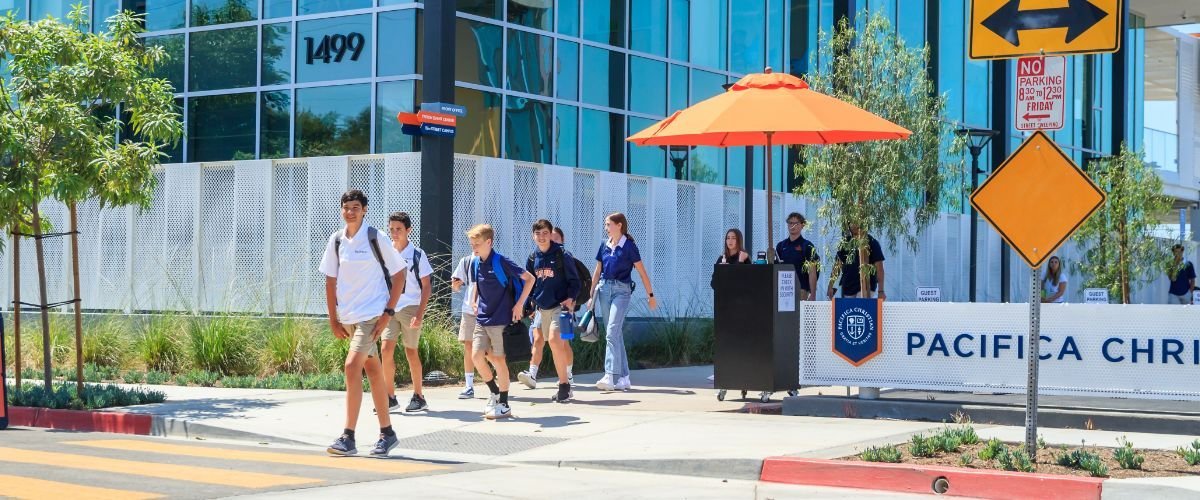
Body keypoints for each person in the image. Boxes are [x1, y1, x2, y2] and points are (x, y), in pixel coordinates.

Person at [318, 189, 404, 457]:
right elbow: (330, 281)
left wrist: (388, 312)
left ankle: (348, 436)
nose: (350, 211)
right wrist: (333, 319)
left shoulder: (375, 237)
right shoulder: (336, 240)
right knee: (374, 371)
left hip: (371, 316)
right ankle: (387, 433)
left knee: (351, 367)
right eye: (346, 207)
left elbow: (399, 273)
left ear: (364, 209)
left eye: (356, 207)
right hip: (349, 317)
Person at [467, 224, 535, 419]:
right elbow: (478, 285)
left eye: (477, 244)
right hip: (482, 318)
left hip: (500, 320)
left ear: (489, 242)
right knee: (476, 356)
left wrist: (519, 305)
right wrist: (473, 301)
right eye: (472, 244)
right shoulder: (476, 262)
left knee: (498, 360)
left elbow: (529, 279)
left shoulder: (502, 261)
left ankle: (504, 403)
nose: (474, 247)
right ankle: (495, 392)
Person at [589, 213, 657, 391]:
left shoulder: (629, 246)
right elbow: (597, 272)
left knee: (611, 332)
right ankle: (624, 377)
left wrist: (651, 295)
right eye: (605, 225)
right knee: (615, 333)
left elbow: (642, 272)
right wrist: (591, 296)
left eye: (608, 224)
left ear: (619, 225)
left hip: (622, 291)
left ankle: (610, 376)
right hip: (603, 289)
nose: (606, 228)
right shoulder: (604, 245)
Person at [518, 220, 581, 403]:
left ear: (550, 233)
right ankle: (564, 383)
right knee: (548, 343)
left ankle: (564, 386)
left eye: (545, 233)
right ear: (533, 236)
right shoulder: (532, 257)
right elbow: (530, 283)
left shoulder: (562, 254)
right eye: (538, 234)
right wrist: (529, 304)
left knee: (555, 341)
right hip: (541, 308)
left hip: (560, 307)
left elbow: (575, 281)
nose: (541, 237)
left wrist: (571, 298)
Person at [382, 212, 434, 413]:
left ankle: (419, 396)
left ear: (408, 230)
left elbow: (426, 285)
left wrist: (420, 313)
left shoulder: (417, 254)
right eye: (392, 229)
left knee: (410, 351)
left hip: (411, 306)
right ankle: (390, 397)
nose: (395, 233)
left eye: (399, 229)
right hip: (390, 307)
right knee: (386, 350)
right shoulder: (386, 253)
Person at [827, 224, 886, 300]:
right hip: (848, 288)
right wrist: (830, 286)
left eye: (857, 222)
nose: (854, 225)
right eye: (852, 222)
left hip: (866, 288)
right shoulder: (845, 243)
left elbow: (879, 268)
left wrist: (881, 291)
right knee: (848, 311)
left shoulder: (872, 242)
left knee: (861, 311)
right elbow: (837, 266)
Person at [451, 250, 478, 399]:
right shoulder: (466, 261)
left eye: (477, 241)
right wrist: (457, 284)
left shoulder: (493, 259)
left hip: (488, 310)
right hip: (468, 309)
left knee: (487, 350)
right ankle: (469, 386)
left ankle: (496, 382)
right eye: (473, 242)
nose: (475, 245)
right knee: (468, 345)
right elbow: (455, 285)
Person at [775, 213, 819, 299]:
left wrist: (813, 294)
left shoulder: (807, 246)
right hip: (783, 290)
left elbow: (812, 271)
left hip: (801, 289)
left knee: (800, 313)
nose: (793, 226)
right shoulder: (781, 245)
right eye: (790, 223)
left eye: (796, 223)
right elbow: (776, 269)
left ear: (802, 225)